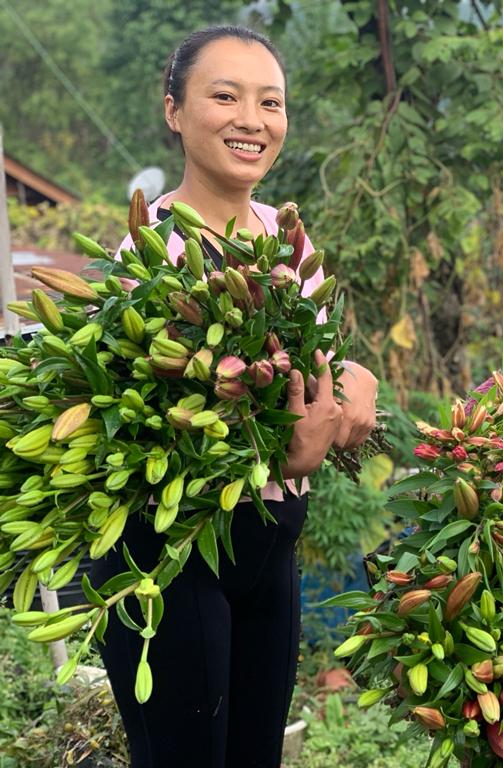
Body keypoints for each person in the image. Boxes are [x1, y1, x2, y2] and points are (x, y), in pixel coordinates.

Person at [93, 26, 378, 768]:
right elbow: (154, 426)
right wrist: (275, 436)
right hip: (173, 551)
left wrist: (354, 384)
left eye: (270, 102)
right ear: (174, 112)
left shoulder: (285, 236)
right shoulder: (152, 253)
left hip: (271, 542)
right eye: (224, 96)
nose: (252, 119)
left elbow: (323, 365)